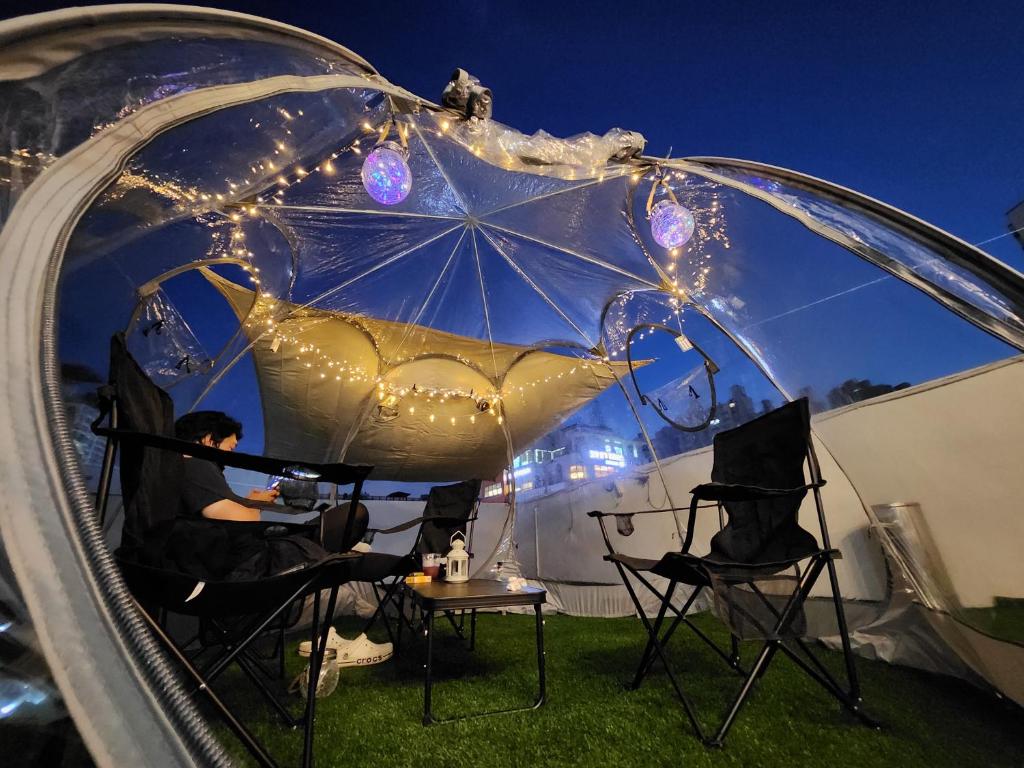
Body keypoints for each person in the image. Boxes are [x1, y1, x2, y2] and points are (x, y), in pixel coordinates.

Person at [170, 410, 367, 578]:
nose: (229, 459)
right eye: (230, 449)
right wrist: (255, 503)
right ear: (208, 439)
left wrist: (250, 501)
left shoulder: (182, 467)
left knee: (310, 534)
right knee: (330, 531)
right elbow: (240, 522)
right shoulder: (196, 465)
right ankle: (330, 548)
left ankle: (327, 546)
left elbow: (221, 514)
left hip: (226, 562)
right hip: (240, 568)